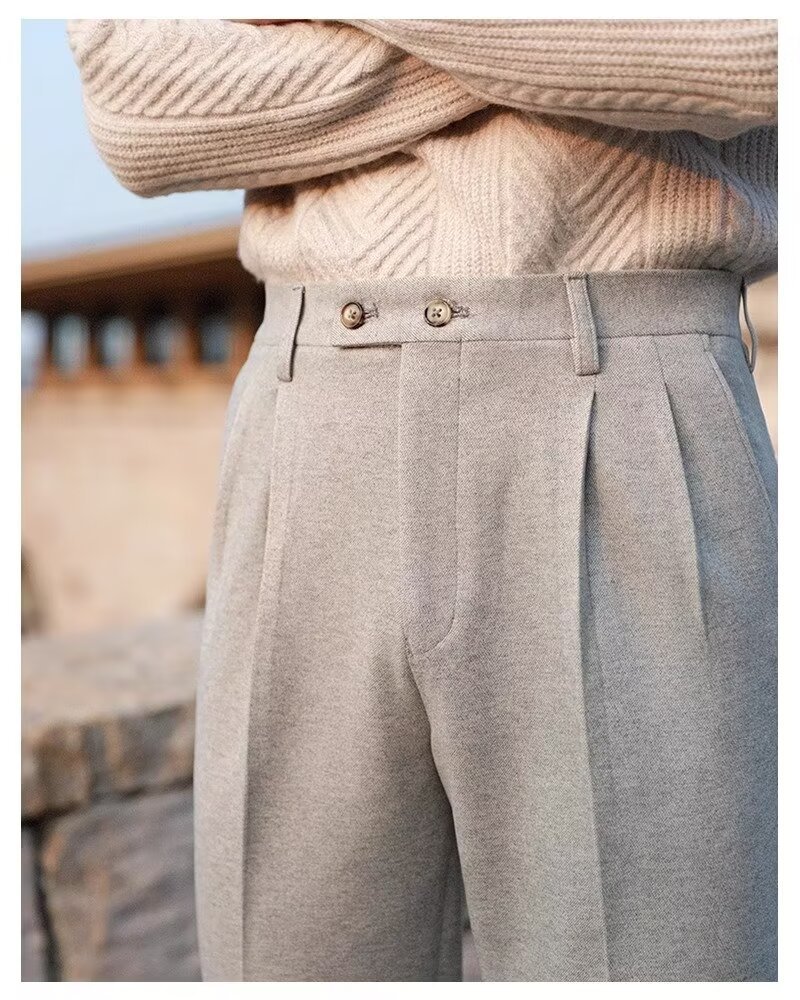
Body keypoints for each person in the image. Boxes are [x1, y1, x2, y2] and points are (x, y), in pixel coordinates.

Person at [68, 19, 778, 982]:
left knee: (661, 960)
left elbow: (748, 51)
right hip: (313, 409)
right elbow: (139, 111)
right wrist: (559, 64)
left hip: (626, 403)